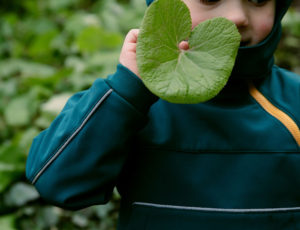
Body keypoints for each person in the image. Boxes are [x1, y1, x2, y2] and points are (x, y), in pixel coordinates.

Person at [26, 0, 300, 229]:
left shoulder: (294, 103)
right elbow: (58, 183)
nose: (238, 16)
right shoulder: (134, 103)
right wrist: (127, 89)